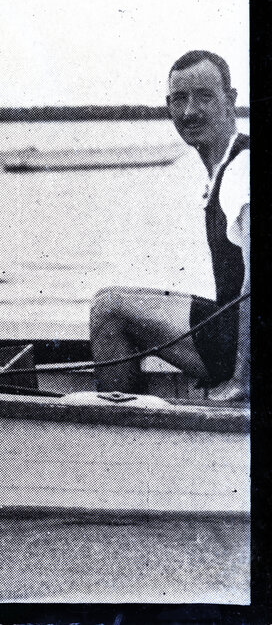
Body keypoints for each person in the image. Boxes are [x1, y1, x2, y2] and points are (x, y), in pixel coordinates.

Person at [89, 50, 250, 402]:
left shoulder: (244, 168)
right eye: (180, 99)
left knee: (109, 311)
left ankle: (117, 444)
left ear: (231, 101)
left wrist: (242, 381)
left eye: (205, 96)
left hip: (248, 350)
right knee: (107, 299)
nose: (190, 111)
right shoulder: (225, 167)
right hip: (234, 331)